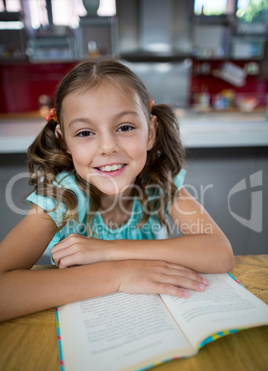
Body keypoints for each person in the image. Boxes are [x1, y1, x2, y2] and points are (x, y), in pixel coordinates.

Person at [0, 59, 234, 322]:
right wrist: (120, 273)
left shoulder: (158, 183)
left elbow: (219, 253)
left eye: (125, 128)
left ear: (150, 132)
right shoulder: (62, 197)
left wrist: (108, 250)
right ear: (63, 141)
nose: (108, 146)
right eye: (85, 132)